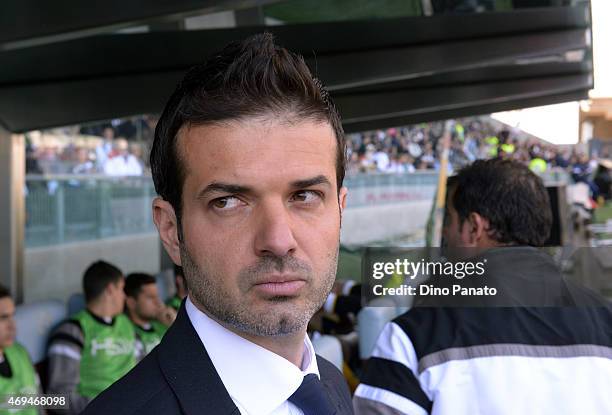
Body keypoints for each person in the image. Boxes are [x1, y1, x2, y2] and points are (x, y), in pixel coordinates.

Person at [83, 33, 353, 415]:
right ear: (171, 231)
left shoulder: (329, 382)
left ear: (341, 210)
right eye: (227, 202)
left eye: (305, 196)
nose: (278, 240)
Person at [354, 158, 612, 414]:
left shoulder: (412, 336)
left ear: (474, 227)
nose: (445, 234)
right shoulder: (606, 319)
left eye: (450, 221)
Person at [47, 261, 136, 414]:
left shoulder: (126, 323)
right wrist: (107, 407)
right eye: (121, 289)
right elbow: (57, 398)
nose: (125, 296)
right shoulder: (72, 331)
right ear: (109, 290)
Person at [0, 285, 43, 415]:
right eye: (3, 318)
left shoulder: (20, 352)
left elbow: (39, 403)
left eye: (12, 316)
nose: (12, 325)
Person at [124, 273, 176, 360]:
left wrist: (173, 324)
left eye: (157, 296)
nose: (158, 302)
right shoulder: (124, 332)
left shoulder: (164, 326)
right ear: (131, 302)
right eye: (151, 297)